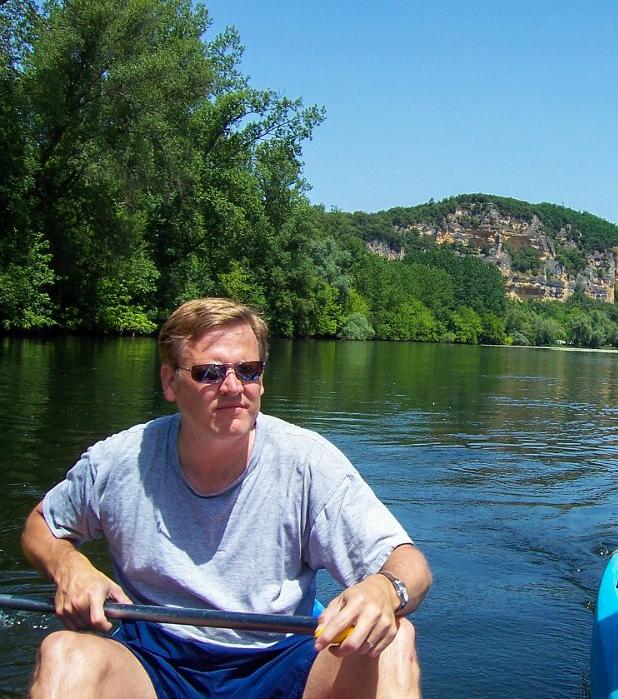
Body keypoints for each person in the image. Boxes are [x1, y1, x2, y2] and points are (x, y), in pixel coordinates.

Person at [22, 297, 432, 699]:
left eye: (248, 370)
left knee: (393, 641)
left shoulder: (308, 463)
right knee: (64, 653)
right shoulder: (119, 461)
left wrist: (385, 590)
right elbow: (42, 525)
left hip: (279, 658)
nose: (234, 387)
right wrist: (70, 567)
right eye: (210, 373)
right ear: (169, 382)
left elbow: (409, 564)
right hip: (152, 658)